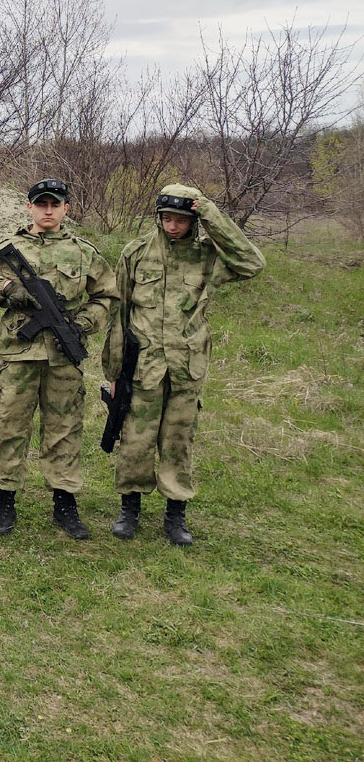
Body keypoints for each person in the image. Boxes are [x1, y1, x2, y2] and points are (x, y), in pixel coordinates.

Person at [102, 185, 265, 546]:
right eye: (167, 219)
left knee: (178, 441)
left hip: (186, 366)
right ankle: (130, 509)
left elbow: (251, 263)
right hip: (143, 365)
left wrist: (211, 213)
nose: (173, 226)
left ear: (194, 221)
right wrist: (114, 373)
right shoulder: (136, 253)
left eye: (181, 220)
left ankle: (176, 514)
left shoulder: (206, 255)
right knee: (135, 440)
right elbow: (120, 313)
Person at [0, 178, 118, 539]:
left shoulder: (84, 252)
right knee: (10, 426)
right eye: (41, 204)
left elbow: (108, 296)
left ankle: (64, 504)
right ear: (30, 207)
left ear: (66, 209)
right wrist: (7, 289)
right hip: (19, 356)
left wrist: (83, 322)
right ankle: (5, 502)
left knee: (64, 429)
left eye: (55, 204)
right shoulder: (8, 249)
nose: (48, 210)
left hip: (64, 357)